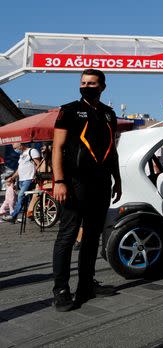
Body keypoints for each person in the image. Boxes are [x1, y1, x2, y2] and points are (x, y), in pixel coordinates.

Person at [51, 69, 122, 311]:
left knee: (92, 236)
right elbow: (57, 147)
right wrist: (59, 181)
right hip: (74, 182)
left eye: (91, 83)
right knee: (68, 236)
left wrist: (118, 179)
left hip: (101, 183)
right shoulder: (69, 110)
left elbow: (112, 150)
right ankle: (61, 290)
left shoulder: (109, 114)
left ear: (102, 87)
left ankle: (86, 284)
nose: (86, 86)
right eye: (83, 82)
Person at [2, 142, 42, 223]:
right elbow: (20, 168)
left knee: (21, 196)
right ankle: (32, 215)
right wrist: (12, 177)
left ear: (21, 145)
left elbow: (39, 164)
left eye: (16, 148)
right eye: (14, 148)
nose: (15, 150)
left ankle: (13, 216)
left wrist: (35, 175)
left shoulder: (32, 151)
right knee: (28, 199)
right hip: (22, 180)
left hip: (29, 178)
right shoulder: (22, 154)